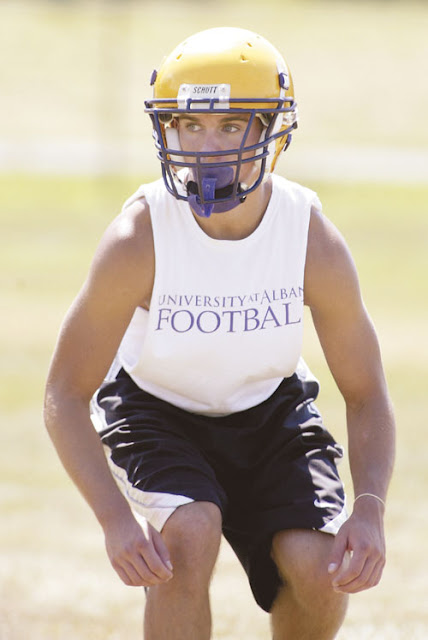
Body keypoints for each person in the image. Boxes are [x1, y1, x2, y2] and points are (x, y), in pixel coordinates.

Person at [44, 27, 395, 639]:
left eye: (231, 126)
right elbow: (65, 394)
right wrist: (115, 521)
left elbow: (366, 393)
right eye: (189, 125)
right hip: (156, 409)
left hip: (270, 407)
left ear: (272, 132)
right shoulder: (138, 239)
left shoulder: (309, 238)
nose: (206, 148)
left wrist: (368, 511)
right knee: (188, 534)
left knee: (321, 569)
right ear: (167, 130)